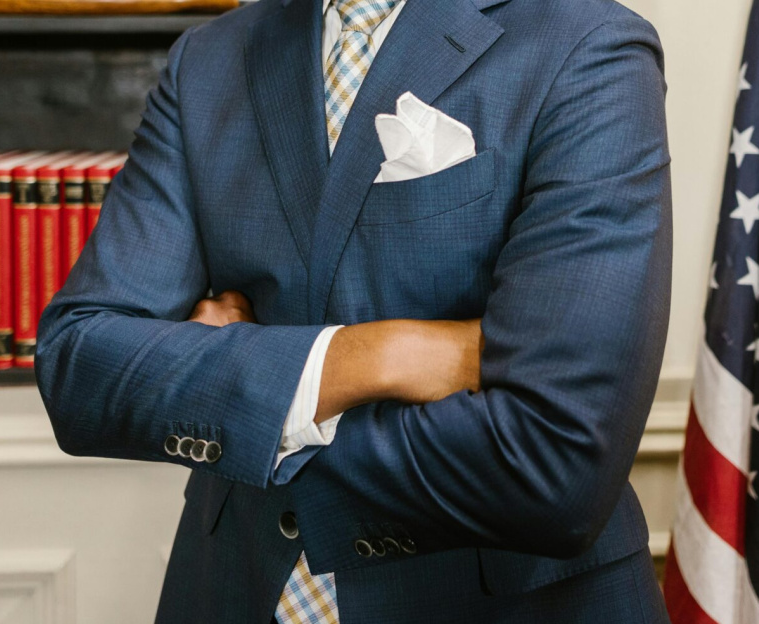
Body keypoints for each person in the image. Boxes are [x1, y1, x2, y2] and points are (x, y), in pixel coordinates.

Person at [35, 0, 673, 621]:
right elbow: (79, 364)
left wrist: (243, 399)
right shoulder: (207, 59)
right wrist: (384, 354)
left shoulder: (591, 44)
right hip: (233, 588)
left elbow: (555, 465)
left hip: (495, 600)